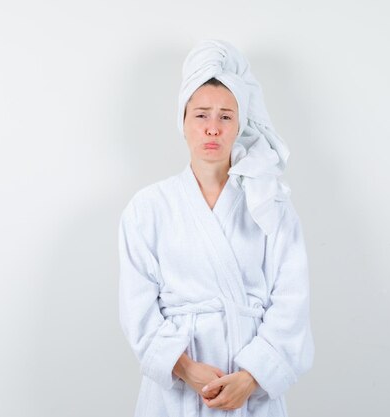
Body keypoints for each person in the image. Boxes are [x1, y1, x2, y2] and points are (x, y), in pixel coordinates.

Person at [118, 39, 314, 417]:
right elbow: (136, 309)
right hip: (176, 389)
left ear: (240, 125)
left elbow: (292, 301)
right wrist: (187, 370)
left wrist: (252, 376)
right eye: (201, 115)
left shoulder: (270, 206)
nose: (212, 129)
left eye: (225, 116)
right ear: (183, 121)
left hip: (251, 387)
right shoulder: (147, 208)